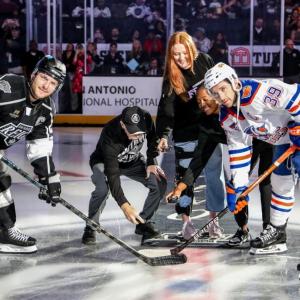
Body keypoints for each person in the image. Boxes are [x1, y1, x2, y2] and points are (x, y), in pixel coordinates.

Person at [204, 62, 300, 254]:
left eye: (223, 89)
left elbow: (296, 96)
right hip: (284, 141)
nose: (221, 97)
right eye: (215, 93)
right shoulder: (227, 117)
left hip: (295, 132)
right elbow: (239, 149)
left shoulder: (257, 93)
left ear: (234, 83)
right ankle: (277, 234)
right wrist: (240, 188)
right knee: (280, 182)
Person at [156, 31, 225, 240]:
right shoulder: (171, 76)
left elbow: (220, 91)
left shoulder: (205, 61)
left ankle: (214, 222)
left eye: (183, 52)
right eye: (175, 54)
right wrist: (163, 135)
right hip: (185, 132)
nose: (181, 58)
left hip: (210, 130)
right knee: (184, 180)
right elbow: (165, 110)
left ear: (190, 49)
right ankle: (186, 224)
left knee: (214, 177)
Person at [0, 55, 66, 253]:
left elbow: (40, 147)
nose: (46, 85)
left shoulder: (45, 110)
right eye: (44, 78)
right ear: (34, 75)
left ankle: (5, 232)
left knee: (1, 182)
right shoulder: (9, 87)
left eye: (53, 83)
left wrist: (49, 178)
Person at [81, 106, 167, 245]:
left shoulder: (146, 118)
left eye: (140, 133)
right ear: (122, 124)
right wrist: (125, 206)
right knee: (103, 188)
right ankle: (91, 226)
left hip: (132, 161)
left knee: (159, 180)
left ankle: (143, 222)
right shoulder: (110, 133)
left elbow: (152, 139)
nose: (138, 137)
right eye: (133, 133)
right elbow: (113, 175)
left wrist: (152, 161)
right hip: (105, 163)